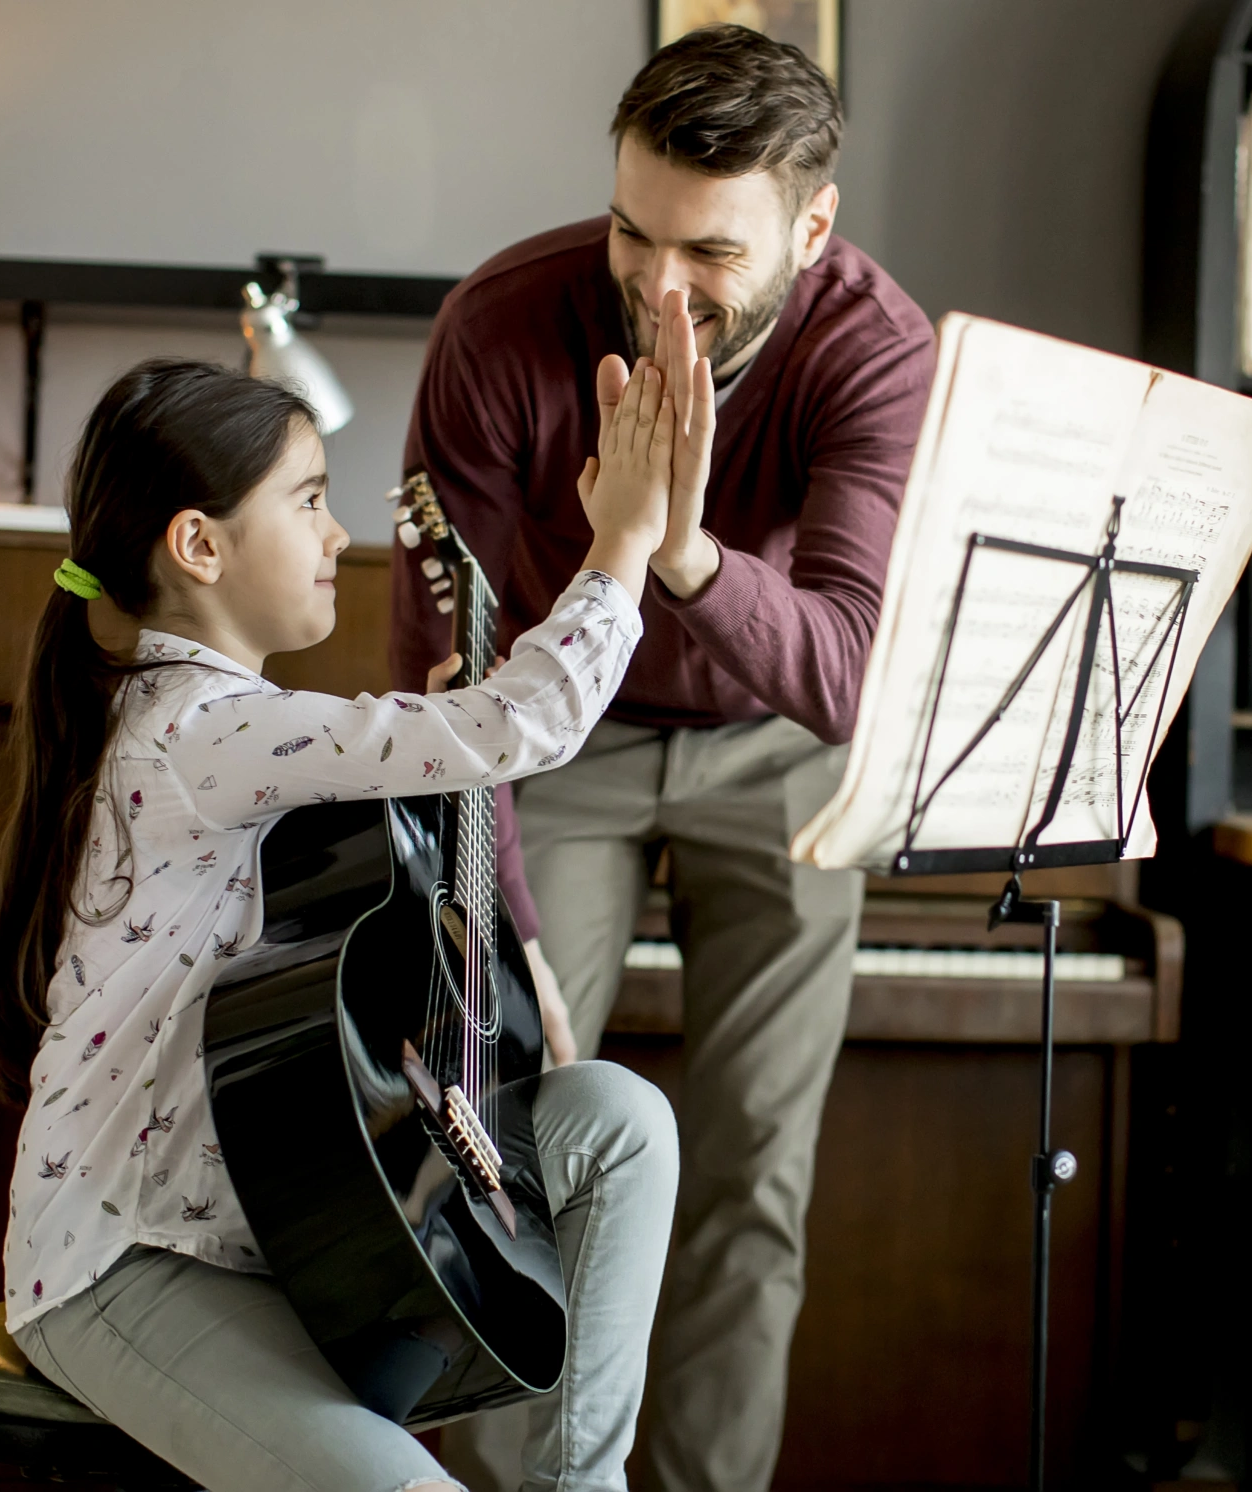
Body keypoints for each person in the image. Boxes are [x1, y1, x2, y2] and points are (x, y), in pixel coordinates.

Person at [0, 354, 698, 1492]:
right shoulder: (201, 730)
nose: (336, 533)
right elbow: (528, 722)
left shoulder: (241, 735)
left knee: (618, 1118)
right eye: (308, 499)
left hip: (278, 1215)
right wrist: (625, 543)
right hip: (120, 1263)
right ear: (200, 546)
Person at [392, 25, 937, 1492]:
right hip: (550, 735)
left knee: (756, 1172)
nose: (659, 284)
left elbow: (847, 672)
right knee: (513, 1140)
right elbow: (440, 676)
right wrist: (498, 926)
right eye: (636, 231)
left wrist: (681, 548)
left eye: (710, 250)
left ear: (813, 228)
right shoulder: (501, 326)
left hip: (777, 753)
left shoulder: (876, 350)